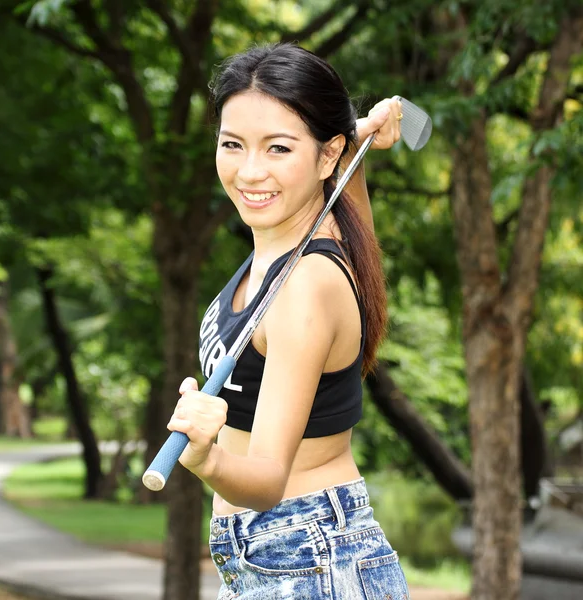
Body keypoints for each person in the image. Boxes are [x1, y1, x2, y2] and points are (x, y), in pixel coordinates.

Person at [167, 43, 410, 600]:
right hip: (282, 560)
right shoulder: (293, 248)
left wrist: (205, 455)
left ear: (327, 158)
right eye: (233, 144)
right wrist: (359, 141)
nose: (250, 171)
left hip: (309, 559)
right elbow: (348, 187)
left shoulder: (305, 287)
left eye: (278, 148)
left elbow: (266, 481)